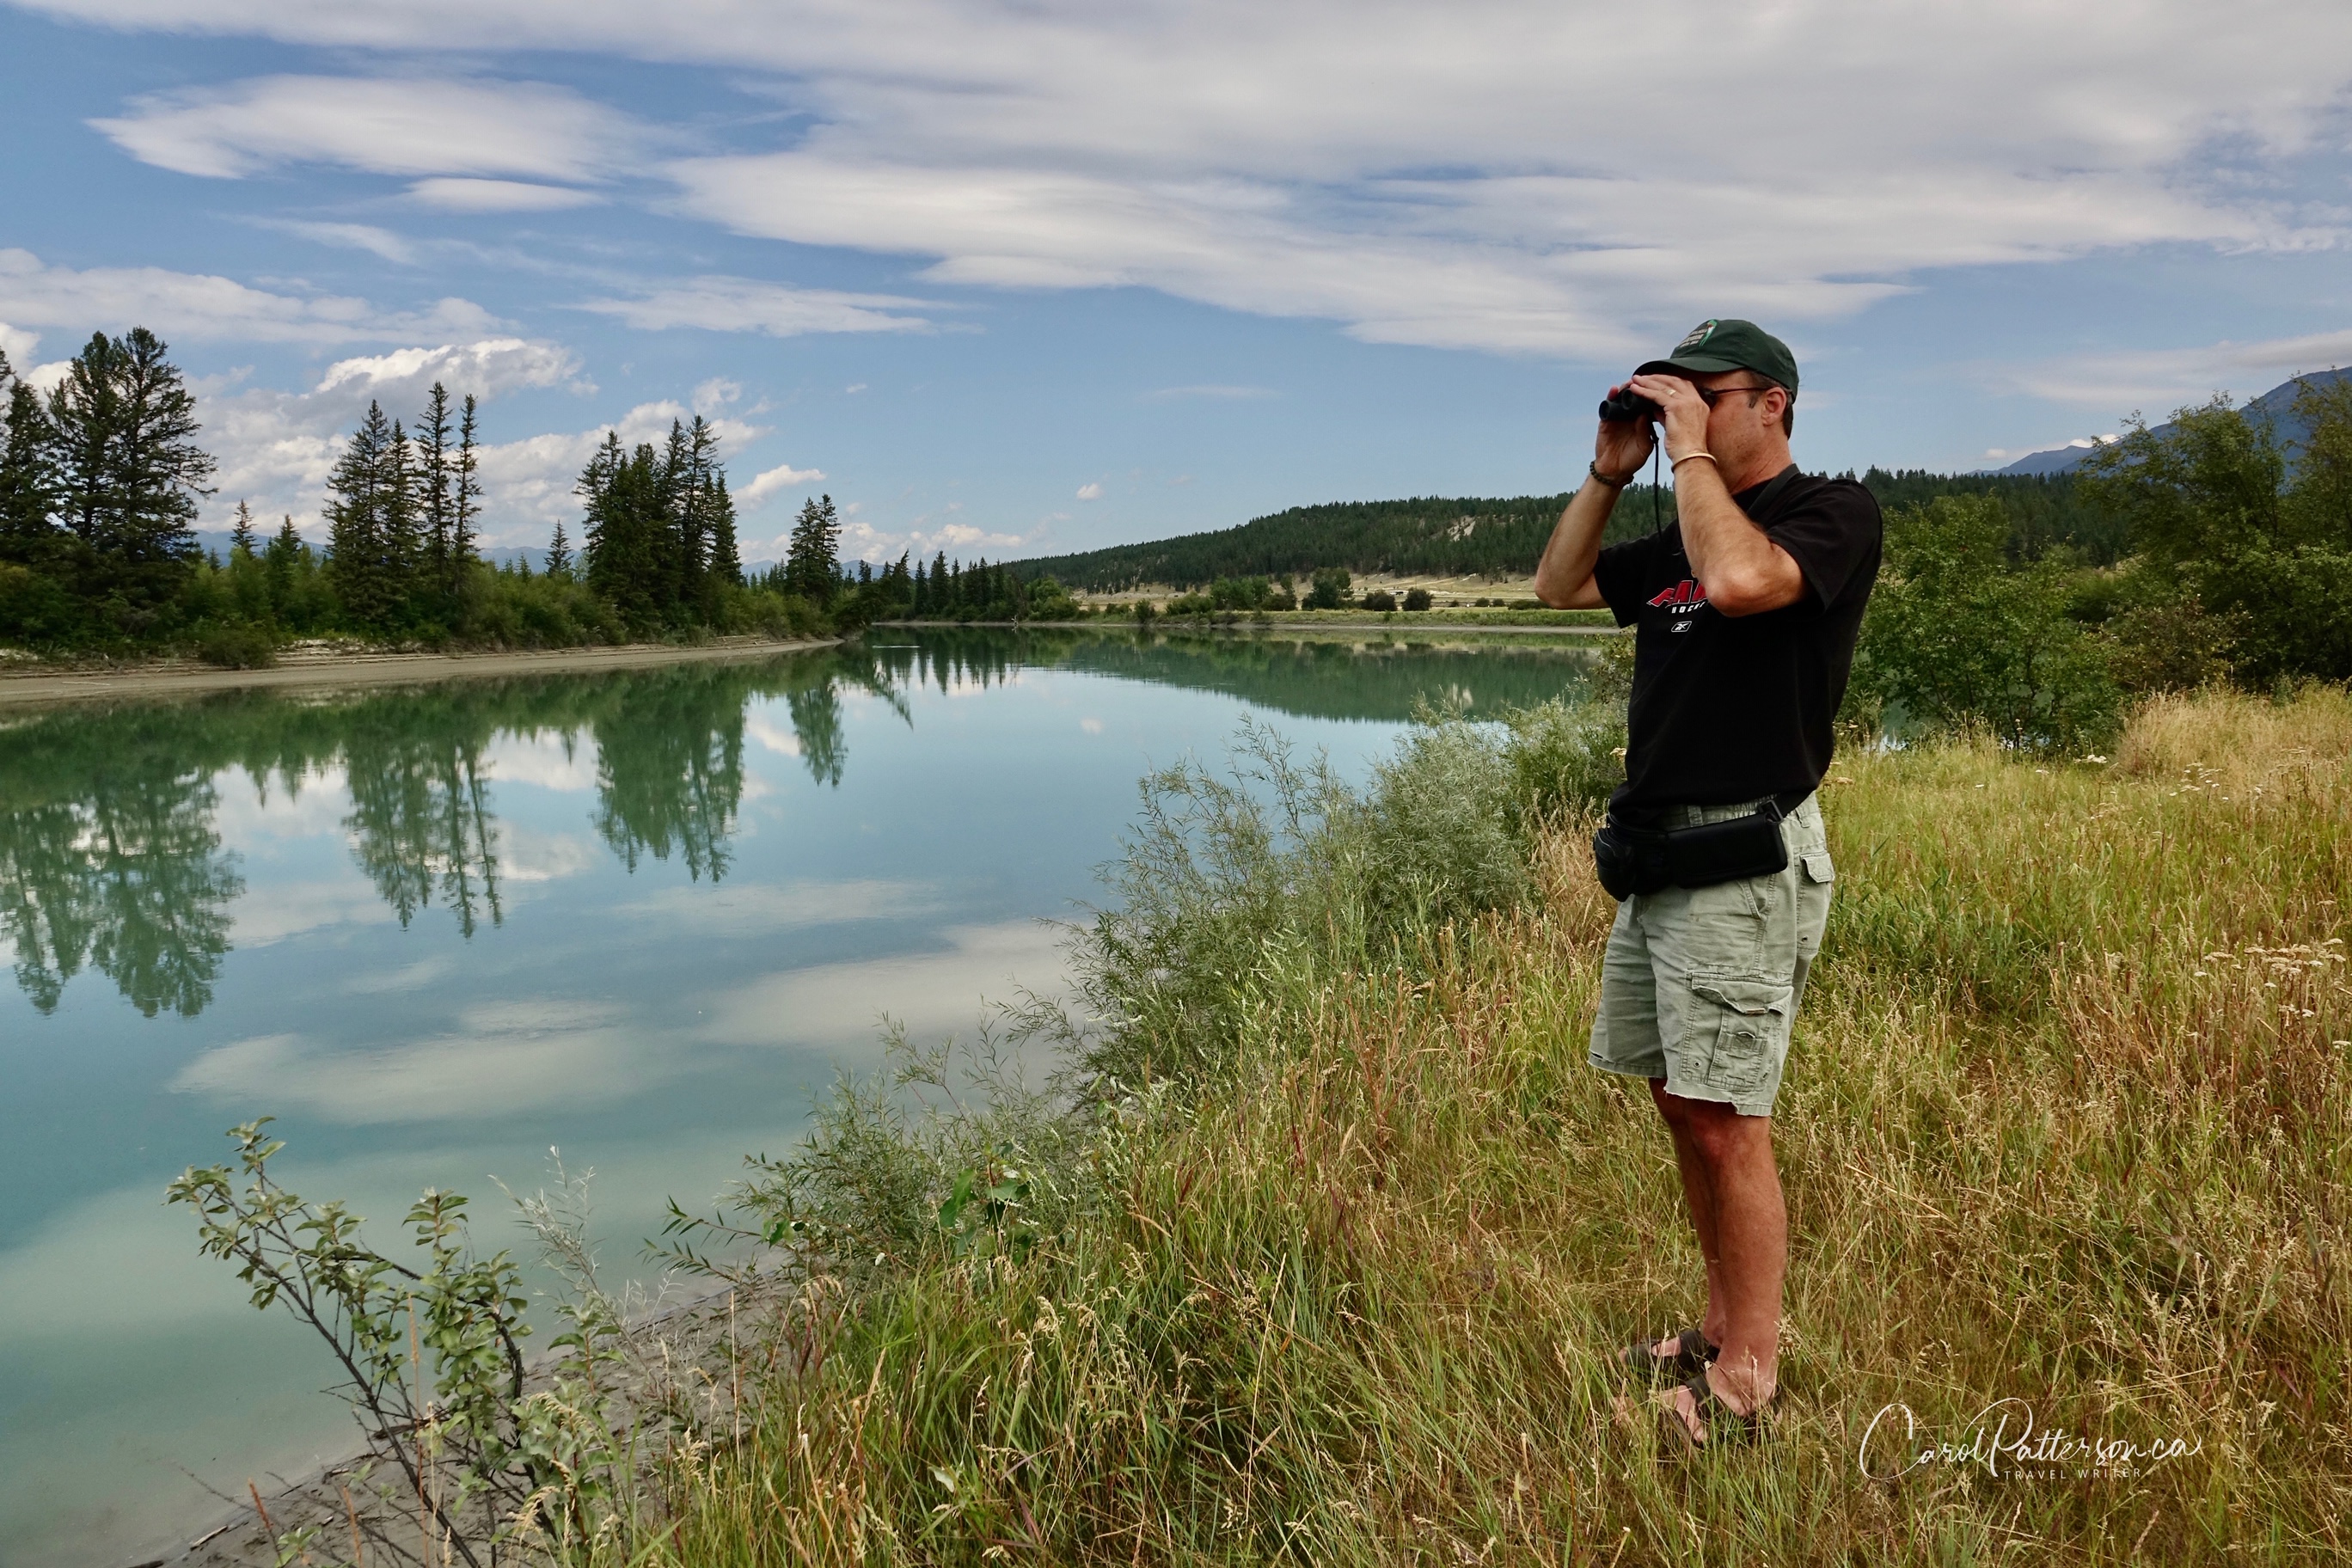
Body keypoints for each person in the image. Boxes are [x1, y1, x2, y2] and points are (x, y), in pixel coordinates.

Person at [1531, 319, 1882, 1447]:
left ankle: (1748, 1379)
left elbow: (1739, 584)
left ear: (1771, 401)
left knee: (1731, 1121)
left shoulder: (1827, 513)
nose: (1683, 412)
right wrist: (1609, 465)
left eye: (1704, 394)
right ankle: (1719, 1325)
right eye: (1666, 398)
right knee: (1680, 1099)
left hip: (1744, 857)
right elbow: (1559, 584)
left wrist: (1685, 457)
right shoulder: (1678, 516)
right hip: (1662, 861)